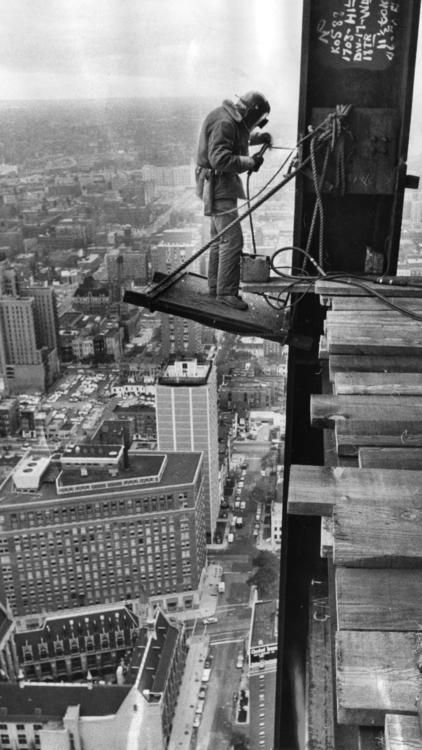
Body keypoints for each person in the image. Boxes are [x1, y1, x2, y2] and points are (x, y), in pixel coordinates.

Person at [196, 91, 272, 311]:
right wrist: (249, 162)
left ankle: (215, 287)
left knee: (220, 240)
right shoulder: (225, 123)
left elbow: (239, 136)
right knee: (232, 240)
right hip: (218, 186)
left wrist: (259, 139)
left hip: (218, 186)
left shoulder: (228, 118)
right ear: (249, 114)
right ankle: (226, 293)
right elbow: (219, 158)